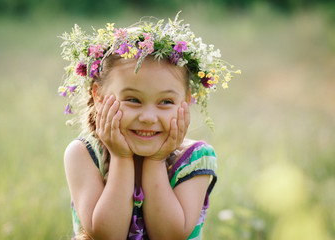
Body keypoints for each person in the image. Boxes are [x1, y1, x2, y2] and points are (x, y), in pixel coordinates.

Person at [59, 12, 240, 240]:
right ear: (99, 96)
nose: (148, 117)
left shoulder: (195, 159)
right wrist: (121, 157)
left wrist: (155, 161)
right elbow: (108, 235)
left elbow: (169, 236)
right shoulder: (84, 154)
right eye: (133, 99)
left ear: (185, 101)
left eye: (165, 102)